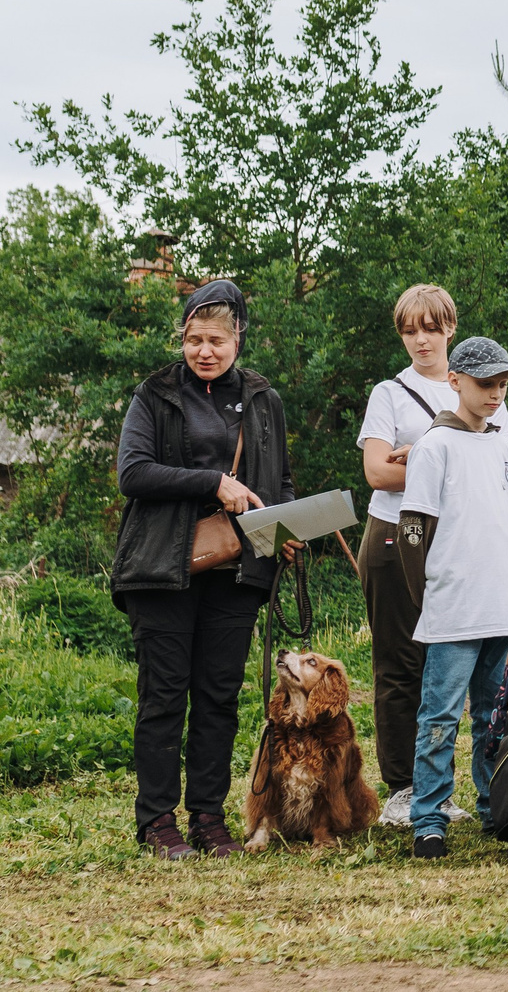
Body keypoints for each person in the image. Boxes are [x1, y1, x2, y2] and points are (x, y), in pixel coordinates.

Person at [115, 279, 295, 860]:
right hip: (161, 568)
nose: (204, 351)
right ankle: (157, 822)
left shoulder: (264, 400)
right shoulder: (154, 394)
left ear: (238, 337)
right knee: (164, 697)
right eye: (195, 340)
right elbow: (132, 473)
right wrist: (212, 482)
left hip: (237, 572)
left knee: (218, 697)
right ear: (183, 338)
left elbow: (278, 481)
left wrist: (286, 530)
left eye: (216, 340)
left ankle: (208, 820)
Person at [356, 283, 508, 829]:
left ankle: (452, 790)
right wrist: (438, 456)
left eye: (430, 328)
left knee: (457, 672)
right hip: (398, 535)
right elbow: (378, 472)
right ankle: (404, 788)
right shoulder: (390, 393)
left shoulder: (487, 384)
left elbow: (503, 463)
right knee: (402, 664)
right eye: (409, 330)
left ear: (450, 328)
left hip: (470, 543)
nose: (420, 340)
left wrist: (436, 455)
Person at [400, 335, 508, 859]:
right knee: (439, 719)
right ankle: (429, 819)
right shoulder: (435, 446)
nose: (495, 393)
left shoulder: (505, 443)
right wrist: (426, 595)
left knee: (494, 718)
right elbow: (413, 529)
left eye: (502, 384)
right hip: (454, 609)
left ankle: (494, 808)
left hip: (503, 605)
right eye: (484, 383)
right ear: (455, 381)